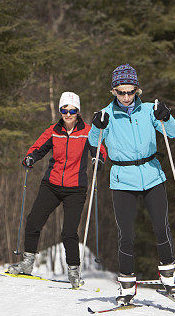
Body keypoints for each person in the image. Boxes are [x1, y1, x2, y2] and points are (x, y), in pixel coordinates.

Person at [88, 64, 175, 305]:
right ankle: (127, 285)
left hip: (151, 174)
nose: (126, 97)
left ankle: (169, 276)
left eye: (131, 92)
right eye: (121, 92)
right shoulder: (106, 114)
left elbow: (173, 133)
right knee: (126, 234)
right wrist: (96, 125)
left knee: (161, 226)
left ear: (137, 91)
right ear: (114, 92)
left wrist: (166, 116)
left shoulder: (150, 110)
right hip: (122, 178)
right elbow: (93, 142)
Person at [7, 92, 106, 288]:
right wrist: (30, 158)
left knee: (68, 232)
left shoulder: (88, 131)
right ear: (60, 111)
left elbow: (99, 149)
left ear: (78, 111)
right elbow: (38, 148)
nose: (68, 114)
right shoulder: (54, 131)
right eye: (64, 110)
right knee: (33, 221)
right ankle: (27, 263)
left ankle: (74, 272)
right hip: (51, 185)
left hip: (75, 189)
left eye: (72, 110)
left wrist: (98, 160)